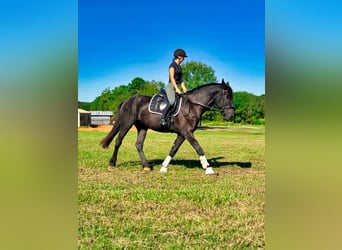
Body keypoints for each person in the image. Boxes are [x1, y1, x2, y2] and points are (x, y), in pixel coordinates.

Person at [161, 48, 188, 126]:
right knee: (172, 102)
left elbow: (181, 80)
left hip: (177, 87)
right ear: (179, 57)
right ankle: (163, 117)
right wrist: (176, 88)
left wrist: (184, 88)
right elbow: (172, 78)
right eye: (183, 57)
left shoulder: (179, 67)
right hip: (171, 86)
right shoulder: (172, 65)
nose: (184, 59)